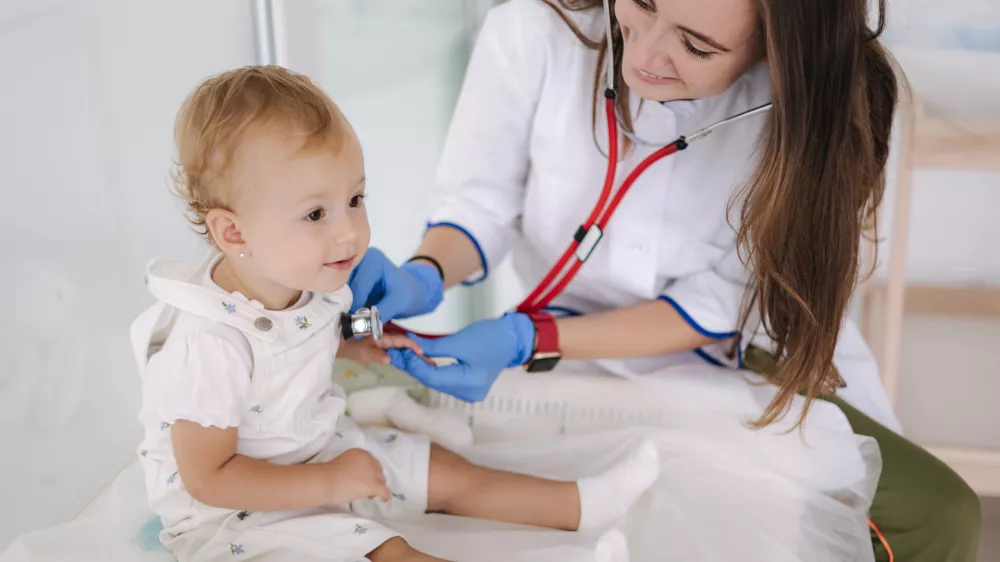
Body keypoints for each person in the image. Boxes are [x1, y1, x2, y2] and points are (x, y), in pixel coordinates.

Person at [347, 1, 982, 561]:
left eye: (697, 45)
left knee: (932, 516)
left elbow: (719, 301)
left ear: (775, 46)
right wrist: (424, 276)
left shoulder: (818, 115)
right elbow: (479, 210)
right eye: (640, 5)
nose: (644, 54)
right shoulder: (531, 35)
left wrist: (527, 337)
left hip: (737, 364)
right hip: (562, 360)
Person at [129, 65, 661, 562]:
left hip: (315, 452)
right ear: (234, 233)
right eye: (316, 213)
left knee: (444, 470)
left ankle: (581, 505)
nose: (349, 232)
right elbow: (210, 478)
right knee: (389, 553)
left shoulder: (303, 275)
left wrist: (355, 344)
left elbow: (298, 339)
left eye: (356, 199)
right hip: (238, 513)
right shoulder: (208, 344)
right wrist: (330, 483)